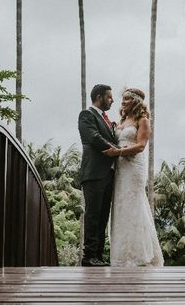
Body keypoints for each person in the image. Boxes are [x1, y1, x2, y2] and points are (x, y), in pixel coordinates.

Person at [102, 87, 164, 267]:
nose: (122, 102)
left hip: (134, 167)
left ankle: (138, 255)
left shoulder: (142, 120)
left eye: (127, 99)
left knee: (134, 204)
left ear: (136, 101)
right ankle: (121, 256)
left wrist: (118, 151)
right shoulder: (121, 121)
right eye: (122, 99)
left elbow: (141, 146)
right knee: (121, 206)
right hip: (120, 169)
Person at [78, 84, 118, 266]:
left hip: (108, 174)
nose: (112, 100)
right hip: (93, 173)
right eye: (109, 97)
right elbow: (94, 137)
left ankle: (99, 256)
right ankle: (88, 256)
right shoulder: (86, 115)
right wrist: (117, 150)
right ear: (99, 97)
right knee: (93, 215)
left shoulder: (107, 120)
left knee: (103, 216)